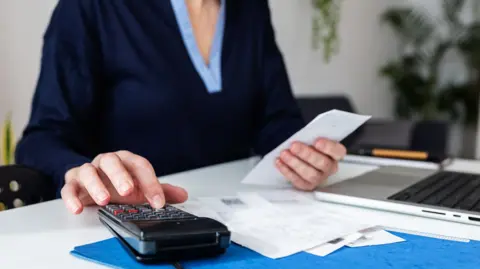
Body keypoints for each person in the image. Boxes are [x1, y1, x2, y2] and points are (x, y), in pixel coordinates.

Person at [15, 0, 347, 214]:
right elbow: (41, 138)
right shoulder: (91, 8)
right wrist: (82, 170)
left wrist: (303, 157)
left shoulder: (251, 8)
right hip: (132, 221)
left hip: (239, 219)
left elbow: (275, 120)